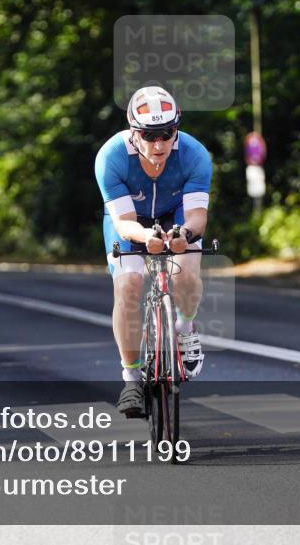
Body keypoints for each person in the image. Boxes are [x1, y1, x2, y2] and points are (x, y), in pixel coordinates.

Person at [94, 86, 212, 417]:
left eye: (166, 133)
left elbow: (197, 217)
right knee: (128, 287)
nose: (158, 144)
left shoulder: (194, 154)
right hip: (131, 222)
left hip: (177, 216)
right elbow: (124, 223)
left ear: (177, 128)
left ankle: (185, 328)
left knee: (186, 272)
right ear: (134, 133)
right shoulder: (111, 157)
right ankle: (131, 378)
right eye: (149, 135)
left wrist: (184, 234)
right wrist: (147, 237)